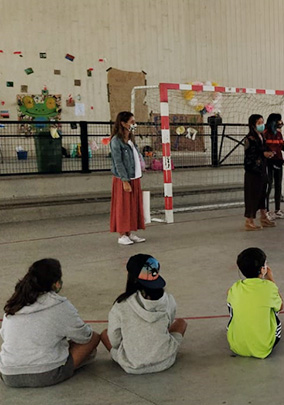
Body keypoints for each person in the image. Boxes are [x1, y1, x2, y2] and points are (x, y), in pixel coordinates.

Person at [0, 259, 100, 387]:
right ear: (56, 283)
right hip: (46, 374)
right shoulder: (59, 305)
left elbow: (5, 335)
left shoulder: (15, 303)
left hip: (8, 375)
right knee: (93, 338)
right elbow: (84, 336)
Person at [100, 254, 186, 374]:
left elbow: (115, 341)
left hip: (131, 365)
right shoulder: (168, 299)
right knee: (181, 323)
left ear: (132, 277)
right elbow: (168, 323)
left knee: (105, 334)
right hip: (165, 360)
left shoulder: (121, 304)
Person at [227, 248, 284, 359]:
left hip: (236, 346)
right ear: (263, 269)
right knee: (273, 309)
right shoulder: (269, 287)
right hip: (263, 348)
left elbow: (229, 298)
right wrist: (270, 278)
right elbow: (280, 306)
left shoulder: (234, 288)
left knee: (233, 303)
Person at [110, 111, 146, 245]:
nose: (134, 125)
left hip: (135, 176)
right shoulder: (116, 142)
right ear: (123, 124)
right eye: (132, 122)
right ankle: (122, 234)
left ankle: (129, 232)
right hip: (123, 178)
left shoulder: (131, 140)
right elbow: (118, 162)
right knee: (123, 206)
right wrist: (124, 180)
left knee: (132, 206)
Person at [243, 114, 276, 231]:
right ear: (253, 125)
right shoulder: (250, 138)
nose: (262, 125)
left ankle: (263, 216)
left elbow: (264, 149)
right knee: (252, 195)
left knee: (263, 194)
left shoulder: (262, 136)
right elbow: (250, 155)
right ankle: (249, 220)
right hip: (253, 171)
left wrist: (269, 152)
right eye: (259, 123)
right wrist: (263, 154)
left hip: (262, 169)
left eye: (262, 122)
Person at [264, 113, 284, 220]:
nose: (281, 123)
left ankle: (277, 210)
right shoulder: (265, 133)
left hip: (278, 163)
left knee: (278, 186)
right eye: (279, 120)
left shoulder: (279, 134)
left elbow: (283, 146)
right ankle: (266, 211)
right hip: (268, 163)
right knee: (268, 186)